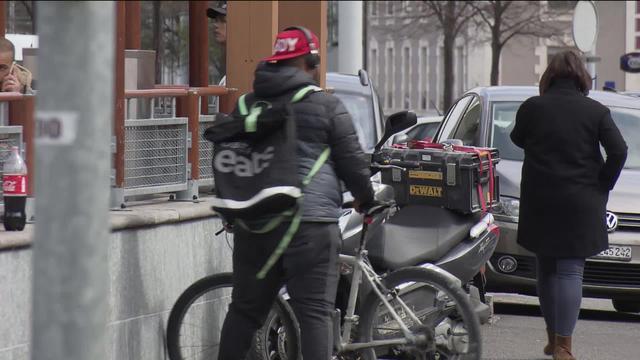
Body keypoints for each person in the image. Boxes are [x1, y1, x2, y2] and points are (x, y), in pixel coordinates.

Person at [216, 26, 375, 359]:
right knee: (314, 313)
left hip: (255, 225)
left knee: (244, 312)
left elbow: (230, 158)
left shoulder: (247, 104)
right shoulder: (326, 105)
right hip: (310, 226)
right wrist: (364, 198)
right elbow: (353, 163)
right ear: (310, 63)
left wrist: (233, 211)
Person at [511, 51, 627, 360]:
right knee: (570, 271)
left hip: (541, 201)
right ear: (581, 78)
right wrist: (603, 183)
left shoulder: (532, 108)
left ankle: (552, 339)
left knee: (546, 269)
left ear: (548, 76)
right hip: (580, 201)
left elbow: (518, 139)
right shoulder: (596, 112)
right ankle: (564, 345)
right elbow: (619, 151)